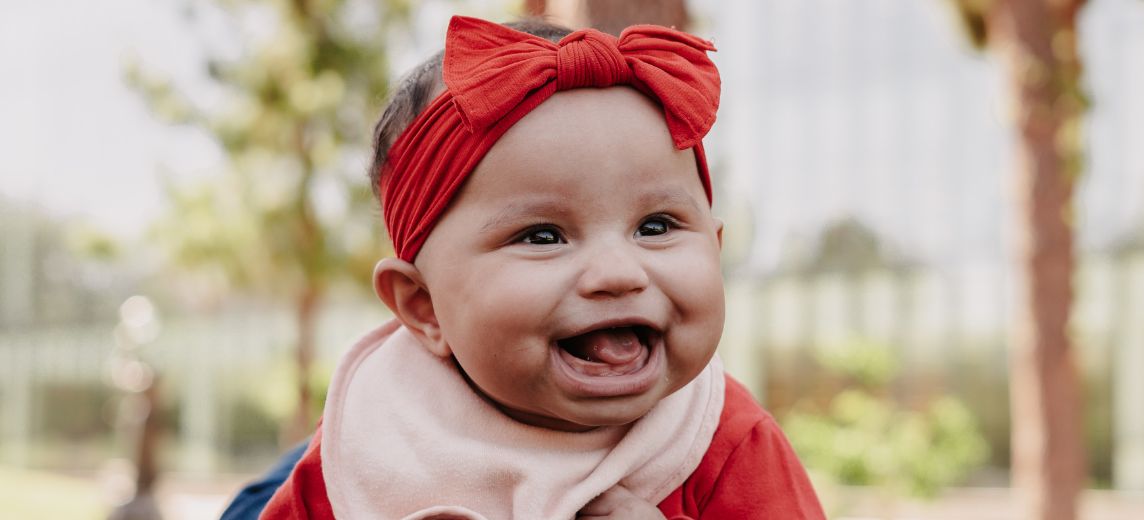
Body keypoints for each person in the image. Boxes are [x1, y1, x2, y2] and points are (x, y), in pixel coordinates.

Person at [224, 15, 824, 520]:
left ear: (715, 248)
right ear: (424, 307)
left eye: (656, 226)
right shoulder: (374, 443)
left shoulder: (722, 442)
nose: (619, 272)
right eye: (543, 235)